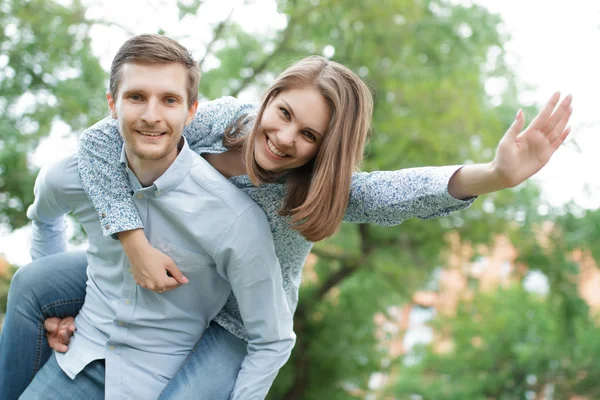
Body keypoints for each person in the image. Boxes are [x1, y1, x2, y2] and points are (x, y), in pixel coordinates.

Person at [0, 49, 572, 398]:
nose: (285, 138)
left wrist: (493, 175)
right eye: (285, 114)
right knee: (31, 287)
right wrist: (126, 246)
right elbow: (105, 138)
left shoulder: (311, 189)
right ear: (269, 98)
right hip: (173, 270)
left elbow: (394, 191)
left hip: (233, 321)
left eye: (309, 136)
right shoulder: (219, 124)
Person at [6, 34, 295, 400]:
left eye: (169, 100)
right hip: (77, 362)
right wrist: (53, 317)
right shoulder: (70, 175)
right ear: (113, 104)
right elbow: (44, 221)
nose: (151, 115)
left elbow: (271, 339)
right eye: (136, 97)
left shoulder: (234, 220)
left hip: (159, 383)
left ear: (191, 112)